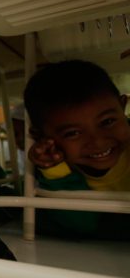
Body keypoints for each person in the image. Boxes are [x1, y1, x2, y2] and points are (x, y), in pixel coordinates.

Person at [24, 59, 130, 239]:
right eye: (73, 133)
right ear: (41, 136)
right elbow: (83, 224)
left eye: (108, 122)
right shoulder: (56, 167)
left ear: (123, 106)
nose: (97, 141)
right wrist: (54, 171)